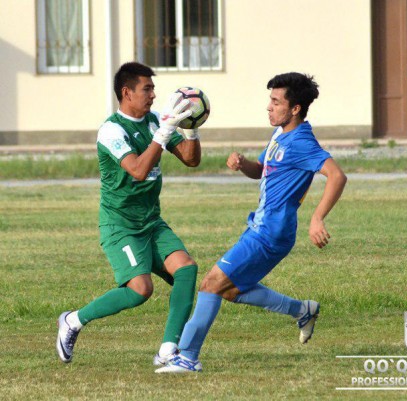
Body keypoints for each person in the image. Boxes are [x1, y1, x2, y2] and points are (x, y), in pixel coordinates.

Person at [156, 72, 347, 373]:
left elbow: (337, 176)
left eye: (275, 102)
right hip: (260, 228)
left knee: (211, 283)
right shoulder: (280, 134)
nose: (268, 107)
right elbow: (262, 170)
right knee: (230, 290)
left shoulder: (302, 141)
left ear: (295, 108)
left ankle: (187, 357)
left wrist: (317, 218)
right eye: (269, 100)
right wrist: (244, 164)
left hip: (271, 234)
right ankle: (302, 310)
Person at [56, 62, 202, 367]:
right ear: (127, 93)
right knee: (140, 290)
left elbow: (191, 160)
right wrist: (163, 133)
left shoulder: (152, 122)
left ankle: (168, 351)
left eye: (152, 88)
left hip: (151, 222)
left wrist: (190, 128)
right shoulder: (111, 130)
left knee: (186, 269)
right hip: (120, 226)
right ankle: (73, 320)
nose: (153, 95)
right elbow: (137, 170)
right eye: (146, 89)